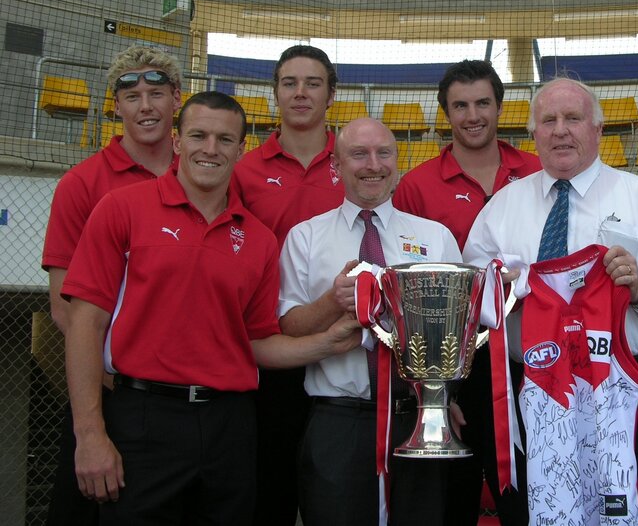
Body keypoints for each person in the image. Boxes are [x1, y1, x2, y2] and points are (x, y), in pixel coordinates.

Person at [60, 92, 360, 524]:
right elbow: (85, 324)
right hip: (144, 418)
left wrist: (327, 343)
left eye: (225, 139)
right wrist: (89, 434)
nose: (210, 149)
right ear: (177, 141)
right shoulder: (121, 209)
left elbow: (257, 343)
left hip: (230, 425)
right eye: (198, 135)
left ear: (241, 150)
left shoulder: (259, 240)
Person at [463, 77, 638, 524]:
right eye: (548, 121)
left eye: (573, 118)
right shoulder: (501, 208)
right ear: (533, 133)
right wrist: (501, 292)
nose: (560, 130)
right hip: (533, 392)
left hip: (630, 392)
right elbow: (469, 301)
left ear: (597, 129)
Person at [278, 117, 463, 526]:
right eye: (359, 154)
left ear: (398, 160)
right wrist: (332, 302)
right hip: (339, 421)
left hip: (417, 416)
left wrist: (444, 398)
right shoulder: (305, 238)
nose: (373, 165)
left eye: (384, 153)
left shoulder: (435, 237)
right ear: (336, 165)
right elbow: (289, 326)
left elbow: (456, 331)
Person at [393, 59, 540, 526]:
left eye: (482, 103)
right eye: (460, 106)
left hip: (526, 358)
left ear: (500, 107)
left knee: (526, 490)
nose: (472, 116)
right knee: (452, 496)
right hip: (447, 367)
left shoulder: (536, 171)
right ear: (446, 113)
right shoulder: (417, 186)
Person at [41, 45, 182, 526]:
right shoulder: (81, 184)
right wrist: (114, 385)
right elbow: (64, 308)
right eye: (132, 96)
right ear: (116, 106)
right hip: (114, 393)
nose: (145, 106)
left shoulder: (204, 175)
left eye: (156, 94)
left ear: (176, 99)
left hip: (187, 400)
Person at [234, 44, 345, 526]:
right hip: (269, 349)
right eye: (289, 83)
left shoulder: (356, 163)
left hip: (344, 350)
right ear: (275, 93)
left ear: (331, 95)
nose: (301, 93)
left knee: (339, 492)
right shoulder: (244, 171)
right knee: (271, 489)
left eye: (313, 83)